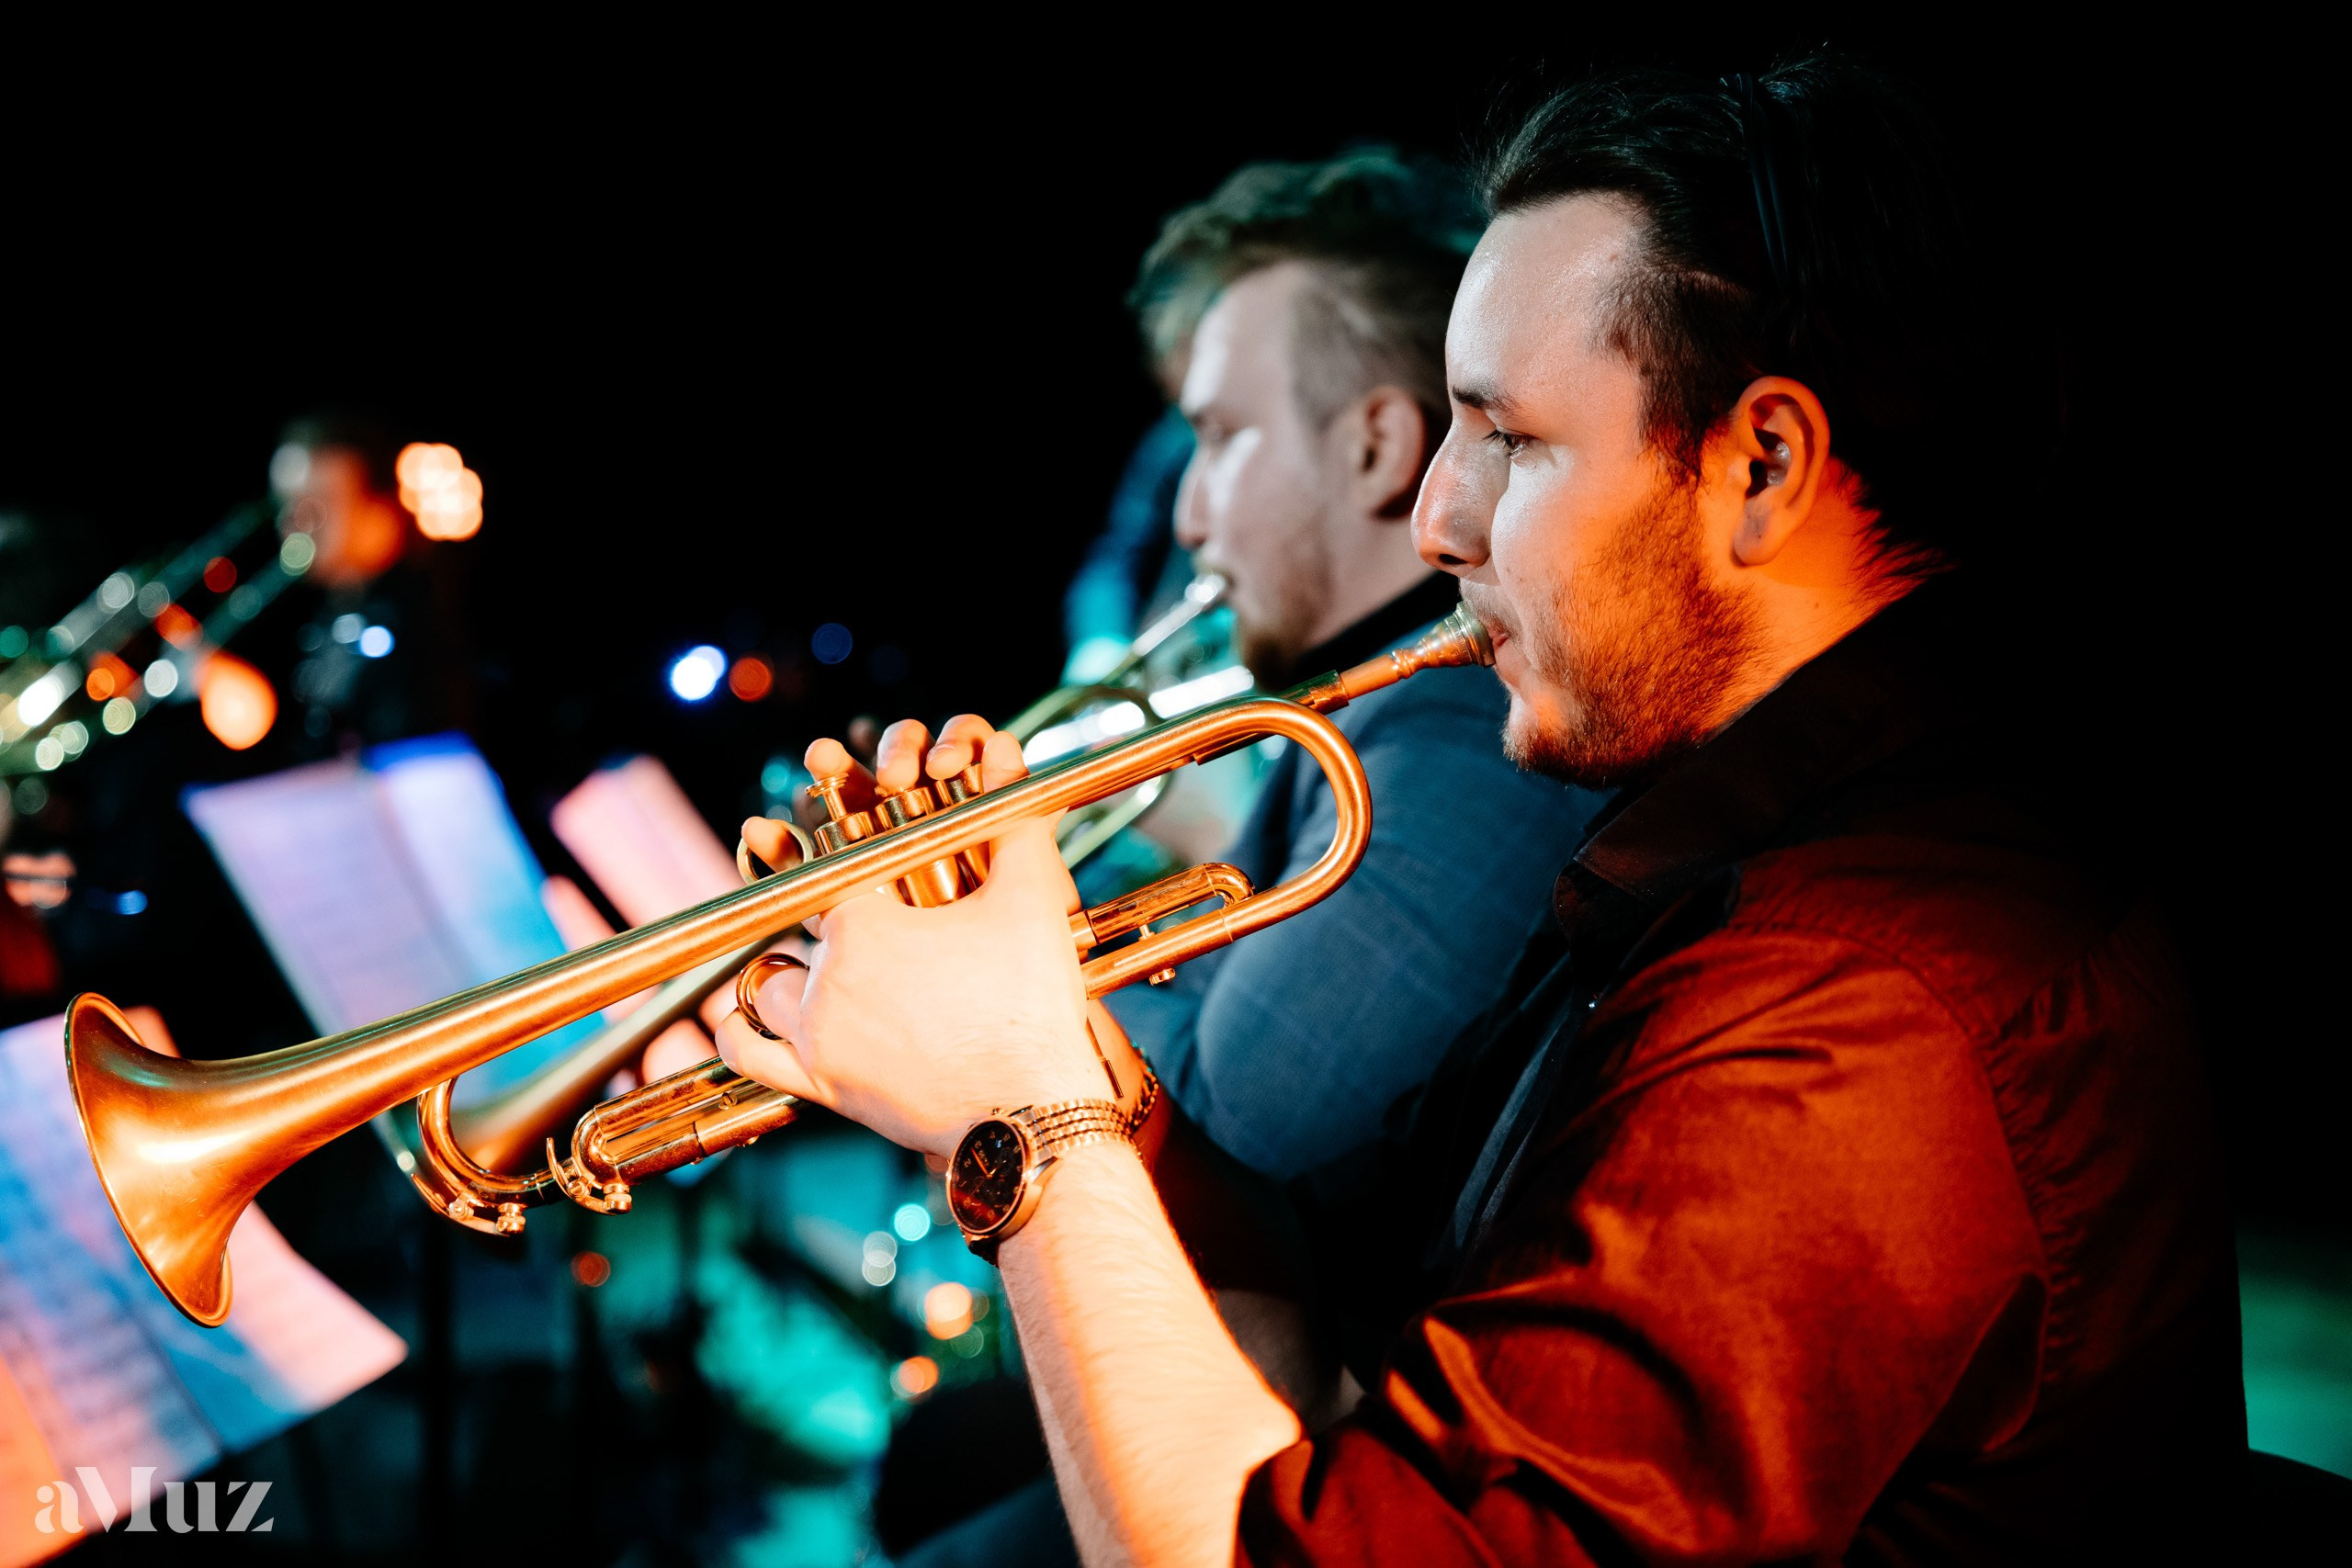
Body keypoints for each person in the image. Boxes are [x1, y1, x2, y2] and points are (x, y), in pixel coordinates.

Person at [720, 57, 2243, 1563]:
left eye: (1510, 440)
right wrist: (1035, 1012)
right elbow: (1357, 1331)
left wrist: (1020, 1104)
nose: (1436, 518)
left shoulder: (1848, 1009)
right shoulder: (1751, 850)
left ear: (1760, 464)